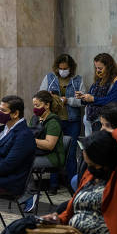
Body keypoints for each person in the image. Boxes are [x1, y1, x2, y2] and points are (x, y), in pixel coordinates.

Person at [39, 53, 85, 189]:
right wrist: (52, 98)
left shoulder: (78, 80)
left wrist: (68, 100)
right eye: (61, 68)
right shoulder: (50, 78)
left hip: (72, 120)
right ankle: (53, 184)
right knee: (55, 151)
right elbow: (41, 97)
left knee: (71, 152)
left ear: (71, 68)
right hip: (55, 120)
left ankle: (72, 184)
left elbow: (83, 100)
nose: (63, 71)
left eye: (66, 68)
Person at [22, 90, 65, 211]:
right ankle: (22, 192)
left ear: (47, 105)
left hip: (52, 157)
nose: (35, 108)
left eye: (38, 105)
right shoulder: (35, 119)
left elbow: (49, 145)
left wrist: (30, 139)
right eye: (34, 105)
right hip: (38, 153)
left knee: (25, 163)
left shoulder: (53, 121)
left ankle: (31, 194)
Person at [0, 95, 36, 196]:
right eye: (0, 110)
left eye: (3, 111)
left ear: (15, 114)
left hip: (8, 182)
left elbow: (9, 164)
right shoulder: (0, 131)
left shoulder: (24, 135)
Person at [78, 53, 117, 134]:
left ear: (109, 67)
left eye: (100, 68)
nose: (97, 71)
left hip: (105, 121)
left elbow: (114, 101)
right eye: (96, 68)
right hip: (90, 120)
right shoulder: (98, 81)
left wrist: (93, 99)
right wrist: (83, 97)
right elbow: (90, 98)